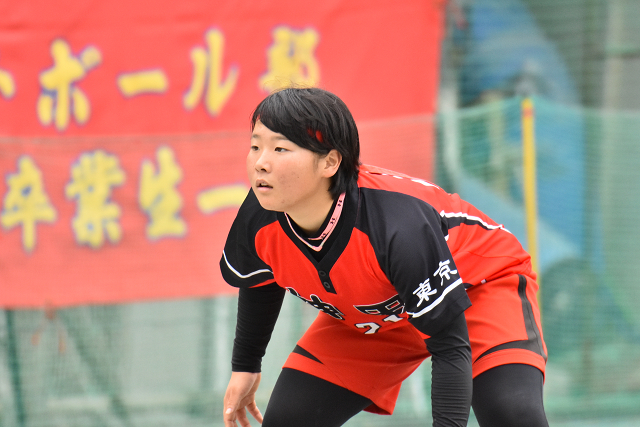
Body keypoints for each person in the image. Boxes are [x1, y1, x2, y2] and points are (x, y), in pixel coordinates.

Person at [220, 87, 548, 427]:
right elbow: (261, 276)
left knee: (513, 414)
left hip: (477, 286)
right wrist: (246, 364)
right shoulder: (260, 215)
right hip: (379, 309)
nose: (261, 162)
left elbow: (450, 348)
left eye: (280, 149)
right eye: (256, 146)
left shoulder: (396, 225)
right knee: (290, 421)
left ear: (330, 162)